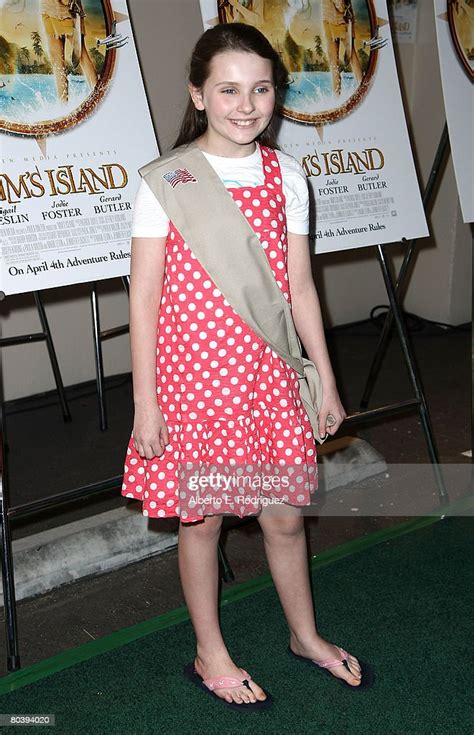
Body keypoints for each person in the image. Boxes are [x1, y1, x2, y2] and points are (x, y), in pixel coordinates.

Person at [121, 22, 372, 710]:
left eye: (261, 88)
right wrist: (148, 404)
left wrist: (322, 378)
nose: (246, 103)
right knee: (202, 521)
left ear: (276, 95)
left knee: (285, 516)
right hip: (193, 383)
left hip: (266, 378)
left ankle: (305, 635)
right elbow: (143, 296)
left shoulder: (286, 174)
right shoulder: (166, 180)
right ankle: (211, 650)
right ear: (198, 94)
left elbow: (299, 286)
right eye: (228, 89)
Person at [40, 0, 97, 103]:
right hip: (48, 9)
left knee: (80, 55)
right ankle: (63, 106)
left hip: (68, 10)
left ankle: (98, 97)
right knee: (57, 63)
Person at [321, 0, 363, 96]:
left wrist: (340, 5)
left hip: (341, 20)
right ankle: (337, 97)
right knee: (334, 62)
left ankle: (363, 88)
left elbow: (341, 6)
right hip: (329, 18)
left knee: (350, 56)